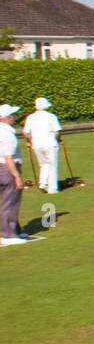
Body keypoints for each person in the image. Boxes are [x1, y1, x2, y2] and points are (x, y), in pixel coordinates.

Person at [0, 103, 28, 246]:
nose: (14, 117)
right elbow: (8, 157)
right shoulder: (7, 133)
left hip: (2, 168)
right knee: (10, 201)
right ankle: (8, 235)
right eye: (12, 115)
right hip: (7, 168)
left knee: (9, 200)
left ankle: (15, 230)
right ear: (7, 117)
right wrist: (17, 176)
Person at [22, 97, 61, 194]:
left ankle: (43, 183)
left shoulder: (30, 117)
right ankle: (52, 189)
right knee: (52, 165)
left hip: (37, 145)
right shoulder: (51, 116)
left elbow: (25, 132)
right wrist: (58, 139)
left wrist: (28, 141)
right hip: (50, 144)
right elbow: (57, 131)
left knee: (44, 165)